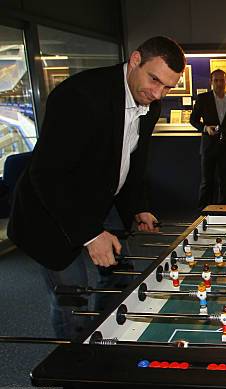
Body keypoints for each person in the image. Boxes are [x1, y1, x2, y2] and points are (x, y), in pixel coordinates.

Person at [8, 36, 185, 338]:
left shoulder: (149, 103)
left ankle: (102, 336)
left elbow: (133, 159)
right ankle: (75, 368)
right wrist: (90, 235)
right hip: (50, 210)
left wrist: (137, 206)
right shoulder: (80, 96)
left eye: (167, 87)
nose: (157, 93)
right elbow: (47, 175)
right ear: (135, 60)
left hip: (99, 201)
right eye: (154, 79)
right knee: (73, 299)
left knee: (120, 277)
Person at [190, 69, 226, 208]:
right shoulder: (203, 98)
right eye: (216, 80)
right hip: (209, 146)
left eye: (222, 80)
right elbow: (193, 120)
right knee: (207, 182)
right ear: (211, 82)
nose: (219, 83)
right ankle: (204, 212)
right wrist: (205, 128)